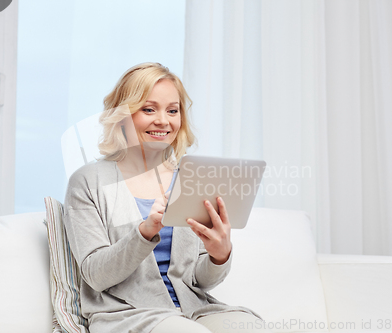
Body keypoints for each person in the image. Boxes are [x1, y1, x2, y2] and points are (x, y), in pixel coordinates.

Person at [63, 63, 265, 333]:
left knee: (251, 327)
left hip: (193, 310)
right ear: (123, 115)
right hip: (127, 315)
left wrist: (219, 255)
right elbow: (96, 276)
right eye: (149, 109)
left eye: (172, 110)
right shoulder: (89, 181)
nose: (163, 120)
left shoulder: (192, 177)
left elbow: (198, 281)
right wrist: (145, 232)